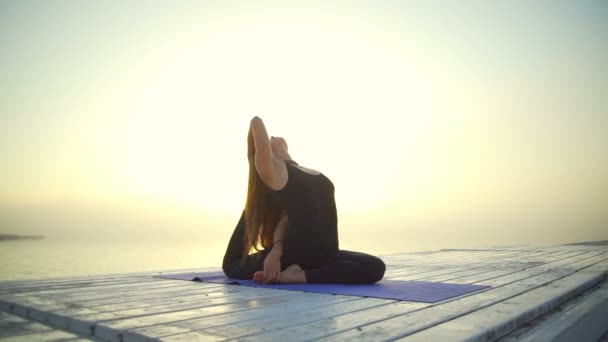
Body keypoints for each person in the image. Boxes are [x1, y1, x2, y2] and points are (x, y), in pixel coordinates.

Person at [222, 116, 386, 284]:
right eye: (268, 138)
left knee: (376, 267)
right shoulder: (277, 172)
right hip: (294, 256)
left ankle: (299, 276)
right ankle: (298, 273)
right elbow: (256, 122)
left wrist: (276, 247)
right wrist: (277, 251)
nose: (272, 137)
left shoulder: (300, 169)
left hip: (326, 254)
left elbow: (285, 220)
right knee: (231, 265)